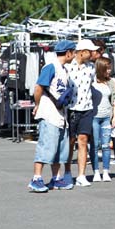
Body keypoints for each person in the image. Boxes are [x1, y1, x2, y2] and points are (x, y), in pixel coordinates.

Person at [28, 40, 76, 193]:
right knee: (46, 147)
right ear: (67, 53)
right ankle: (36, 178)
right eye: (73, 52)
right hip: (49, 113)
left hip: (60, 115)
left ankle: (56, 178)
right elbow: (38, 87)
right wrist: (37, 105)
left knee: (59, 149)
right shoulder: (50, 67)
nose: (74, 55)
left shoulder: (64, 70)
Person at [64, 39, 99, 187]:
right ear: (82, 51)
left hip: (87, 108)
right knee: (70, 142)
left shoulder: (91, 67)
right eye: (90, 51)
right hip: (71, 108)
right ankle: (66, 172)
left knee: (83, 140)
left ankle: (81, 175)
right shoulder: (66, 67)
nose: (93, 54)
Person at [90, 56, 115, 183]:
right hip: (94, 117)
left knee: (106, 145)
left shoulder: (111, 83)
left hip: (107, 116)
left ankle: (106, 171)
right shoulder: (92, 82)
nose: (109, 71)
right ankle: (96, 171)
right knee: (95, 145)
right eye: (107, 68)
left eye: (110, 68)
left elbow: (114, 101)